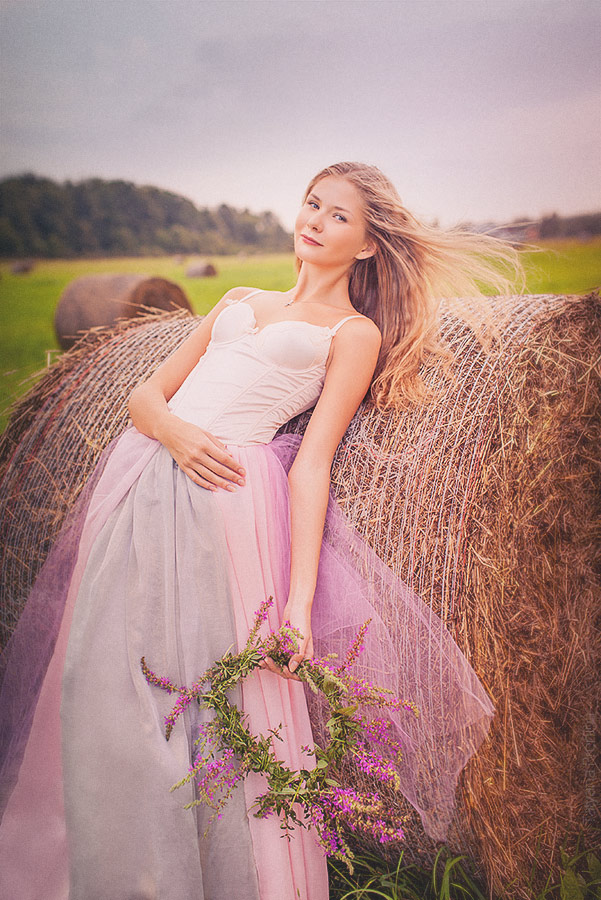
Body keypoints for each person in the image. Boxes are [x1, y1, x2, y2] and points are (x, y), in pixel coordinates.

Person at [0, 162, 521, 900]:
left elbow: (312, 465)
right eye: (312, 204)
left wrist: (299, 605)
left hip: (229, 506)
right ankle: (103, 871)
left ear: (369, 245)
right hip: (143, 478)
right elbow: (144, 393)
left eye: (338, 216)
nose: (314, 220)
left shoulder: (352, 332)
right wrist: (175, 437)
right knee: (99, 677)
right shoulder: (238, 299)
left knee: (206, 701)